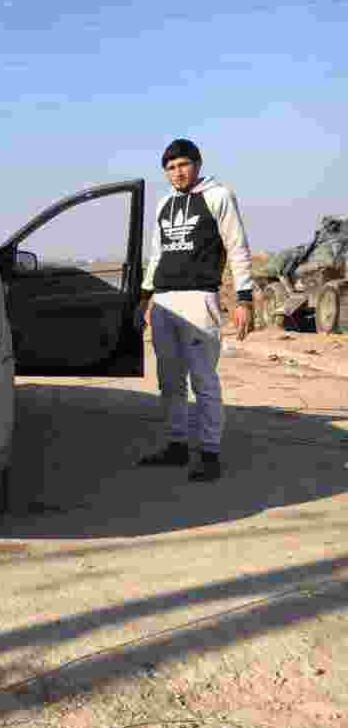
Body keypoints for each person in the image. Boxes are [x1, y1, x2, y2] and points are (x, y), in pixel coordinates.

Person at [137, 138, 253, 482]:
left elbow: (237, 247)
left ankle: (210, 453)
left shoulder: (219, 196)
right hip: (165, 301)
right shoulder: (163, 205)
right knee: (169, 380)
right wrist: (146, 296)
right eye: (170, 168)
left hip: (200, 299)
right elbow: (156, 253)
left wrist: (244, 298)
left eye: (183, 164)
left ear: (198, 164)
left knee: (203, 379)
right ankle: (176, 445)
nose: (177, 172)